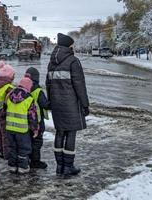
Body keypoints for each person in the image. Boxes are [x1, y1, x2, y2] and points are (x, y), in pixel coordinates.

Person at [46, 33, 90, 176]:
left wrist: (51, 100)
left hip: (56, 103)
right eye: (73, 44)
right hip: (71, 104)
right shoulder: (73, 61)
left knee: (59, 132)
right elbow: (80, 85)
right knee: (70, 133)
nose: (75, 47)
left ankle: (60, 166)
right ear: (69, 46)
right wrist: (85, 104)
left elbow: (48, 84)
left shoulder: (51, 62)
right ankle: (68, 166)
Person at [5, 74, 39, 174]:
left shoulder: (9, 96)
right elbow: (32, 116)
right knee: (24, 148)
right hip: (22, 129)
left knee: (12, 147)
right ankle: (23, 167)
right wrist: (35, 129)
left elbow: (3, 111)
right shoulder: (29, 99)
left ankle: (12, 166)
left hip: (10, 128)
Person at [25, 67, 50, 169]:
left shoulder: (24, 89)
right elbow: (45, 104)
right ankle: (35, 161)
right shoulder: (38, 91)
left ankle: (29, 158)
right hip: (38, 122)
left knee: (29, 141)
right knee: (37, 142)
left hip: (26, 121)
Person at [0, 60, 16, 159]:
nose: (14, 76)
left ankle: (1, 151)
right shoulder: (9, 87)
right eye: (13, 75)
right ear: (9, 76)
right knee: (6, 135)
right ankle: (7, 153)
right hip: (5, 112)